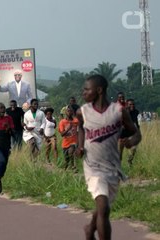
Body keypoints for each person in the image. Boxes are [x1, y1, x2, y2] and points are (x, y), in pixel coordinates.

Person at [75, 75, 141, 240]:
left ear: (99, 90)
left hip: (112, 166)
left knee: (102, 206)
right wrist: (80, 146)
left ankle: (90, 228)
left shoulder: (118, 111)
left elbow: (136, 132)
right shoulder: (82, 111)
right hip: (92, 166)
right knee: (104, 207)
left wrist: (131, 141)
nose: (83, 92)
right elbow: (81, 129)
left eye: (87, 89)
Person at [118, 99, 141, 165]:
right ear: (127, 105)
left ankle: (129, 160)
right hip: (123, 133)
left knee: (134, 148)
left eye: (133, 104)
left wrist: (138, 129)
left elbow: (136, 121)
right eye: (130, 104)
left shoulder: (136, 112)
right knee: (120, 151)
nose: (132, 106)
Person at [59, 105, 79, 172]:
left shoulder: (76, 121)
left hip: (73, 142)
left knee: (71, 152)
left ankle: (73, 166)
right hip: (65, 143)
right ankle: (65, 169)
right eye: (68, 111)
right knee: (66, 160)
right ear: (65, 112)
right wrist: (68, 129)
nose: (69, 112)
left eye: (71, 111)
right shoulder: (62, 122)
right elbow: (62, 134)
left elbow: (81, 128)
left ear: (73, 112)